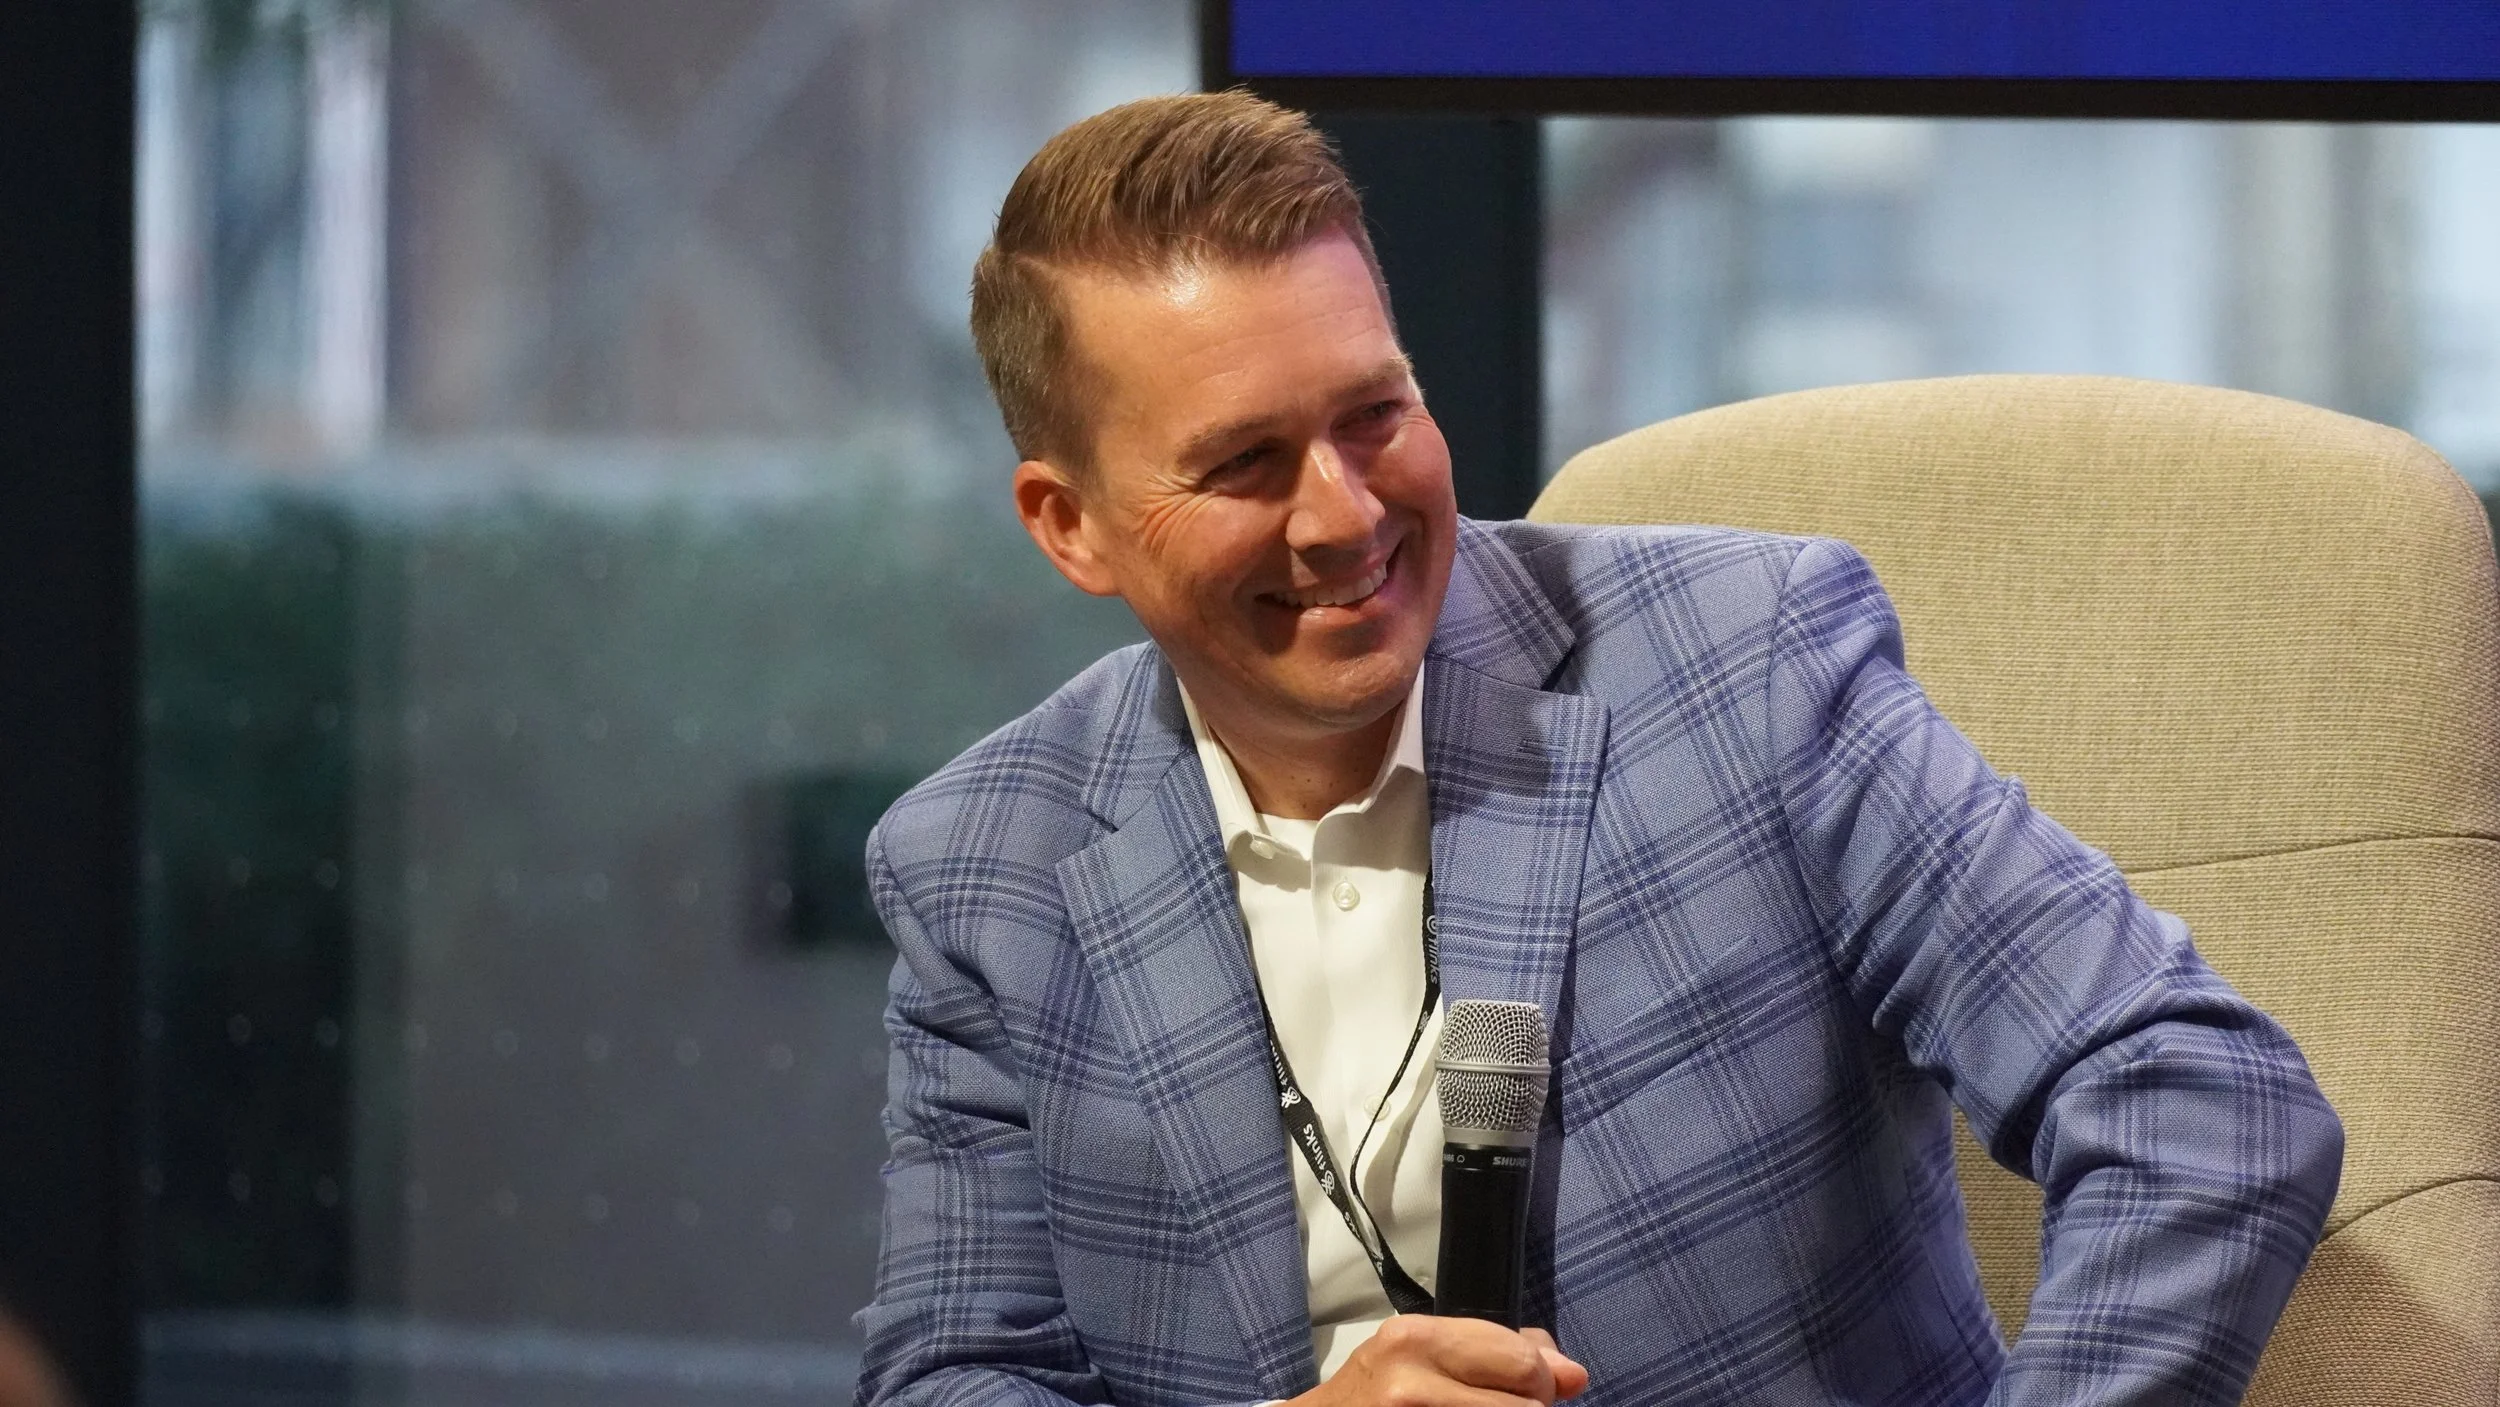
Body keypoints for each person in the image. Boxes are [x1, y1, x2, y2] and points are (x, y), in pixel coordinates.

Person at [852, 92, 2342, 1407]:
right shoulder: (983, 869)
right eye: (1243, 464)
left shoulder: (1749, 666)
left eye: (1375, 415)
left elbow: (2199, 1097)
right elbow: (954, 1372)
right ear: (1068, 522)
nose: (1344, 514)